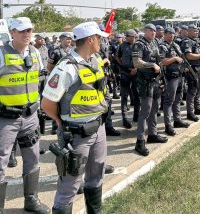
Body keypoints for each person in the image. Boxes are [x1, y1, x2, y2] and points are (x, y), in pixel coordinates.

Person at [41, 21, 108, 213]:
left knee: (96, 178)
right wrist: (60, 121)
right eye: (99, 38)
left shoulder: (94, 60)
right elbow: (46, 104)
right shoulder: (66, 67)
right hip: (76, 135)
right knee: (69, 186)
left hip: (98, 128)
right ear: (90, 39)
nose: (101, 42)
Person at [0, 17, 49, 213]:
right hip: (5, 120)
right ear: (12, 32)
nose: (26, 34)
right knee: (1, 162)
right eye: (21, 31)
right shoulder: (2, 53)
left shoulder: (35, 53)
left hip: (30, 117)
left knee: (32, 158)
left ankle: (31, 200)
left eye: (29, 30)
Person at [132, 24, 168, 156]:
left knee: (155, 109)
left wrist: (162, 78)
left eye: (155, 30)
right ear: (145, 31)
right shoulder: (139, 44)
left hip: (156, 81)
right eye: (150, 30)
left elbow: (160, 61)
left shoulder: (155, 43)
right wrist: (151, 65)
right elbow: (136, 62)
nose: (153, 32)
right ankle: (140, 141)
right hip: (145, 82)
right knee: (145, 111)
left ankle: (152, 134)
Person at [159, 27, 190, 136]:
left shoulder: (176, 45)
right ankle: (168, 125)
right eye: (169, 33)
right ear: (165, 34)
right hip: (170, 77)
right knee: (168, 102)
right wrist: (174, 59)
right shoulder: (162, 46)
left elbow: (181, 57)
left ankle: (177, 120)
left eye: (173, 33)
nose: (171, 35)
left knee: (178, 99)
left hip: (179, 75)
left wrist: (184, 66)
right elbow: (162, 61)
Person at [181, 24, 200, 122]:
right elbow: (188, 56)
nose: (196, 32)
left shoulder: (196, 41)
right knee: (192, 90)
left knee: (199, 88)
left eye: (197, 31)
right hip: (192, 69)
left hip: (199, 68)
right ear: (188, 31)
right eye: (194, 31)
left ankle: (198, 108)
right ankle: (190, 112)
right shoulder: (186, 41)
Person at [116, 29, 140, 129]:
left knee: (137, 95)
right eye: (126, 36)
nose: (126, 37)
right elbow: (117, 57)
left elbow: (143, 59)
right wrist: (124, 67)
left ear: (134, 36)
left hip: (136, 73)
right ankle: (125, 118)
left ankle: (136, 115)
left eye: (128, 36)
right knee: (124, 96)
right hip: (125, 73)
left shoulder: (139, 46)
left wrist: (136, 68)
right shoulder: (122, 46)